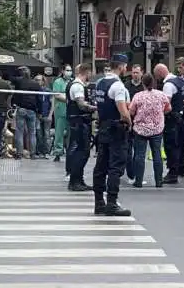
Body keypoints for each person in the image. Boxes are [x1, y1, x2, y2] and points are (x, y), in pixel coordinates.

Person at [93, 53, 132, 216]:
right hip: (116, 129)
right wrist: (129, 122)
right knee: (115, 167)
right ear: (122, 66)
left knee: (101, 166)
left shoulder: (100, 82)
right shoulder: (118, 86)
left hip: (103, 127)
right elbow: (123, 111)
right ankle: (112, 203)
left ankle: (99, 203)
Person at [129, 73, 170, 188]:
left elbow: (131, 111)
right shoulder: (161, 95)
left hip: (140, 129)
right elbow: (168, 108)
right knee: (157, 154)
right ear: (154, 83)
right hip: (157, 129)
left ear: (143, 83)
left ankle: (138, 181)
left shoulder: (138, 96)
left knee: (139, 155)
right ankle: (158, 181)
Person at [65, 63, 96, 191]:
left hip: (78, 122)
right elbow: (81, 105)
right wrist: (95, 107)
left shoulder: (76, 85)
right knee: (82, 152)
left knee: (82, 151)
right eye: (90, 72)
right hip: (79, 122)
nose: (91, 75)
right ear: (86, 72)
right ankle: (75, 181)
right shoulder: (77, 86)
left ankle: (79, 180)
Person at [153, 63, 183, 184]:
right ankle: (177, 170)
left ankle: (172, 173)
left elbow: (166, 104)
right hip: (179, 117)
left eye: (157, 75)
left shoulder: (168, 85)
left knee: (170, 146)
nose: (157, 78)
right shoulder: (178, 81)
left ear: (160, 72)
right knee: (177, 145)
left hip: (171, 120)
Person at [12, 66, 41, 159]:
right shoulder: (35, 84)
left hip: (21, 109)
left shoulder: (19, 81)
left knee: (19, 132)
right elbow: (39, 98)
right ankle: (32, 153)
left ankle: (19, 153)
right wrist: (39, 111)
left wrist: (14, 103)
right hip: (32, 110)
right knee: (32, 133)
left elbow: (12, 79)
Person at [124, 64, 145, 184]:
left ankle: (137, 175)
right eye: (133, 72)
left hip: (140, 121)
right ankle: (130, 173)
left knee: (138, 150)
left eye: (137, 72)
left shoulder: (144, 86)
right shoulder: (126, 85)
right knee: (127, 149)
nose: (135, 75)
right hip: (128, 119)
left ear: (141, 73)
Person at [51, 65, 71, 163]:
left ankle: (70, 151)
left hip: (70, 111)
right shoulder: (58, 82)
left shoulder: (72, 82)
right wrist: (69, 99)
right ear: (63, 71)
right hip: (60, 110)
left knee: (70, 132)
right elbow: (57, 95)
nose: (69, 72)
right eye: (67, 70)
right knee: (59, 132)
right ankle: (58, 153)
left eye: (70, 70)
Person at [35, 74, 53, 157]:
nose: (38, 81)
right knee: (39, 134)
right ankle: (40, 151)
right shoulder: (35, 91)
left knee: (46, 134)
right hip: (38, 116)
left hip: (46, 115)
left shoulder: (48, 91)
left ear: (43, 81)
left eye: (39, 80)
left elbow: (53, 103)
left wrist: (50, 115)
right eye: (36, 80)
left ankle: (47, 152)